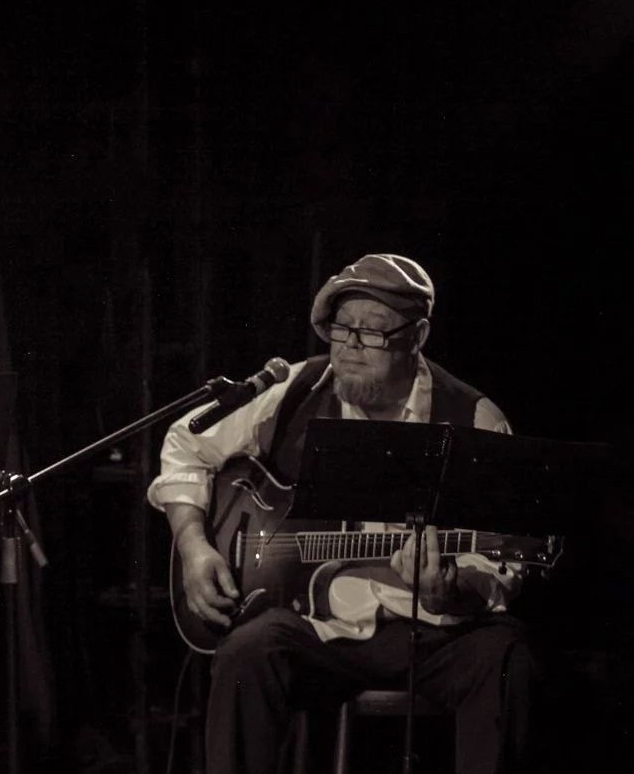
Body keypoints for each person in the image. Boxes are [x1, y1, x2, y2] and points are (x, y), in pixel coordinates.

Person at [149, 253, 536, 774]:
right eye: (341, 328)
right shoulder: (298, 388)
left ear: (417, 336)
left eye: (372, 331)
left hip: (434, 632)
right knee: (246, 652)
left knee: (505, 657)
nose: (350, 346)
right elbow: (185, 443)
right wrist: (194, 545)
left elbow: (501, 559)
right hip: (317, 628)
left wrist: (449, 589)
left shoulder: (473, 418)